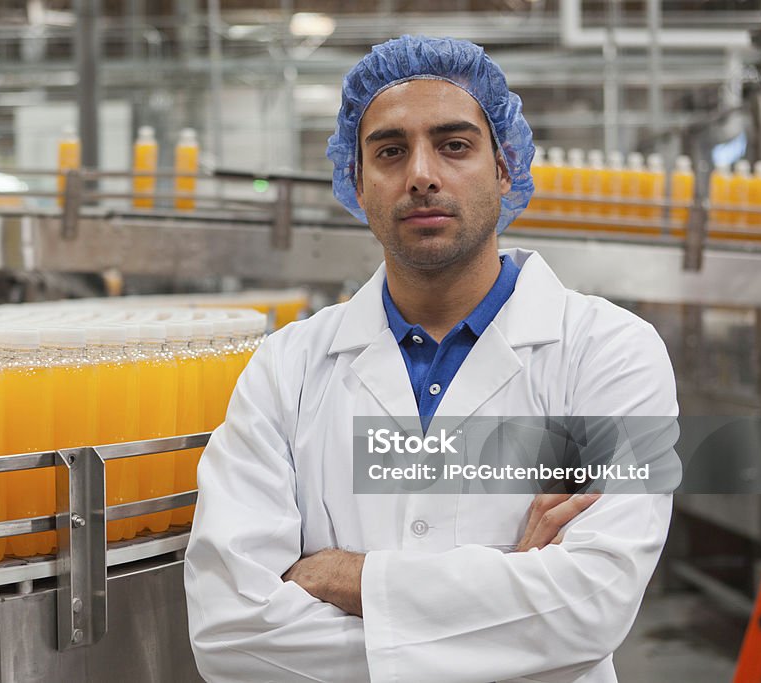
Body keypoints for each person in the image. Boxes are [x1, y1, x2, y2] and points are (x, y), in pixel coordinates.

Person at [184, 35, 675, 682]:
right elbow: (229, 632)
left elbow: (593, 603)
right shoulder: (286, 370)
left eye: (454, 145)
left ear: (504, 167)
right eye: (389, 151)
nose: (421, 173)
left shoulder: (611, 353)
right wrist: (512, 601)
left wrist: (350, 577)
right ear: (356, 183)